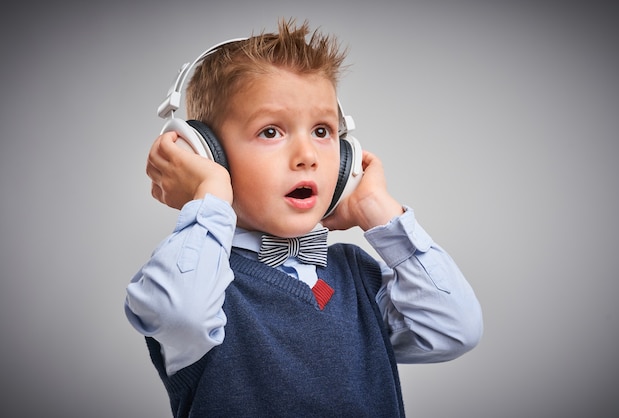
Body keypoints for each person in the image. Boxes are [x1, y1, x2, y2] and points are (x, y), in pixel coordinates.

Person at [125, 19, 483, 418]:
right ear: (209, 154)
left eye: (322, 131)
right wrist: (209, 196)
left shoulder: (355, 275)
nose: (307, 155)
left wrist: (377, 212)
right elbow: (180, 315)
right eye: (271, 132)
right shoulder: (197, 282)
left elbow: (456, 330)